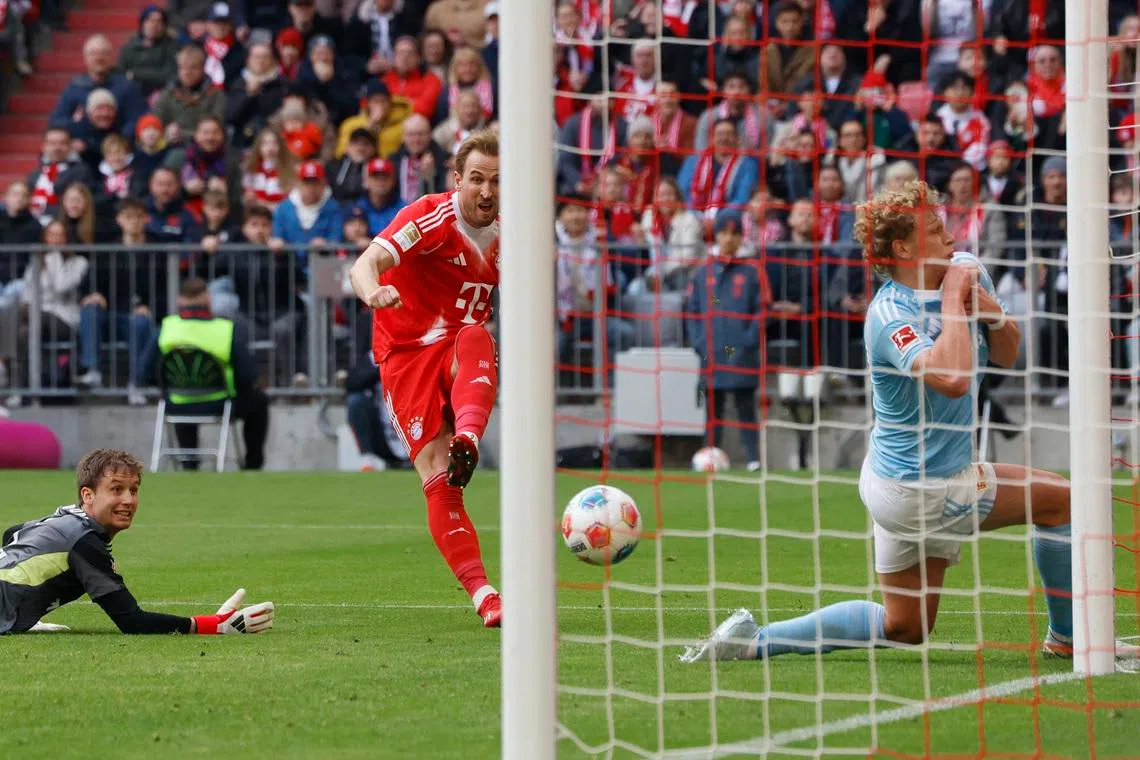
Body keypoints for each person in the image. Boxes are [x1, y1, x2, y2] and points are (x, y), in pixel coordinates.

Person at [681, 180, 1139, 664]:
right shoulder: (888, 315)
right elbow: (953, 380)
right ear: (902, 247)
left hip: (898, 478)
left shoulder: (965, 272)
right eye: (935, 228)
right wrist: (953, 303)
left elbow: (1007, 353)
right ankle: (1068, 638)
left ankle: (753, 641)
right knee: (1063, 502)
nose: (950, 234)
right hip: (923, 487)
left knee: (905, 626)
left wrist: (990, 314)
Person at [348, 129, 502, 628]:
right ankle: (484, 595)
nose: (486, 191)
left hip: (459, 345)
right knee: (437, 479)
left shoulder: (516, 233)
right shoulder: (432, 217)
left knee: (476, 334)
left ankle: (469, 438)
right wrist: (373, 292)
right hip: (405, 355)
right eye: (476, 179)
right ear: (457, 180)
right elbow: (365, 264)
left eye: (498, 182)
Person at [0, 448, 274, 634]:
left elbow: (13, 534)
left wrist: (20, 612)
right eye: (116, 489)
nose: (128, 500)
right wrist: (213, 625)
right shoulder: (83, 541)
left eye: (133, 490)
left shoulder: (64, 520)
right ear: (88, 495)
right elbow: (131, 620)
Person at [140, 278, 269, 471]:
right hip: (219, 402)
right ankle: (253, 464)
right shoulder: (224, 329)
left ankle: (189, 463)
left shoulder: (165, 329)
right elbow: (247, 376)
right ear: (208, 298)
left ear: (179, 301)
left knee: (183, 394)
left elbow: (144, 373)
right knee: (259, 401)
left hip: (178, 404)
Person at [684, 209, 769, 473]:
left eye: (734, 233)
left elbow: (764, 308)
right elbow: (692, 311)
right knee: (713, 408)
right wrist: (699, 341)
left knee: (745, 406)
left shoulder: (753, 270)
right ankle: (711, 455)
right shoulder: (702, 273)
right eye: (724, 232)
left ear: (741, 237)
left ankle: (754, 458)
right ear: (716, 235)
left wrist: (749, 338)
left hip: (742, 351)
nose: (728, 239)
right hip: (711, 351)